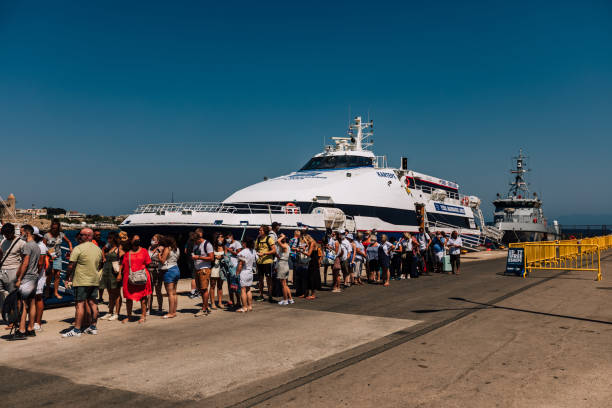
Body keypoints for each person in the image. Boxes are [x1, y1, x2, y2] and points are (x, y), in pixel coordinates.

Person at [62, 228, 103, 338]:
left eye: (82, 235)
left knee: (79, 305)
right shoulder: (98, 249)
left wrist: (67, 278)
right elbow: (100, 264)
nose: (80, 236)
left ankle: (77, 329)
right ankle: (93, 327)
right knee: (93, 304)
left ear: (88, 236)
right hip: (94, 280)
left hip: (81, 280)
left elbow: (71, 265)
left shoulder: (78, 248)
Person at [11, 225, 41, 340]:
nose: (20, 233)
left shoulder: (28, 246)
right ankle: (31, 328)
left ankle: (22, 329)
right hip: (34, 276)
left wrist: (19, 279)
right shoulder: (37, 246)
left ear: (26, 233)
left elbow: (25, 263)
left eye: (21, 231)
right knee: (32, 303)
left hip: (27, 277)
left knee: (23, 304)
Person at [121, 235, 152, 324]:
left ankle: (143, 315)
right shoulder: (127, 253)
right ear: (131, 241)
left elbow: (148, 263)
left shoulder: (144, 251)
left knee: (143, 297)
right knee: (128, 298)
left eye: (138, 239)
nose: (137, 241)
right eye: (135, 240)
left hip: (142, 277)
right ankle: (129, 316)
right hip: (129, 277)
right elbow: (123, 265)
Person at [0, 223, 25, 319]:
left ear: (12, 232)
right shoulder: (3, 241)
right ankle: (9, 316)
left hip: (13, 270)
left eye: (7, 234)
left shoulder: (21, 243)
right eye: (4, 234)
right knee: (4, 294)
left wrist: (20, 275)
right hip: (2, 270)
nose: (5, 236)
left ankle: (15, 319)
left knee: (14, 297)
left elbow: (25, 260)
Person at [43, 219, 73, 299]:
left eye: (56, 228)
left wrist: (70, 247)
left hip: (58, 257)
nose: (54, 230)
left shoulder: (61, 235)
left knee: (57, 275)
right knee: (50, 274)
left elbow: (69, 241)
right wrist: (49, 255)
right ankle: (47, 290)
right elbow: (43, 247)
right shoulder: (46, 236)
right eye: (53, 228)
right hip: (49, 257)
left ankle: (56, 292)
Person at [98, 232, 122, 321]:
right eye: (108, 238)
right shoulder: (110, 248)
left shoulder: (119, 248)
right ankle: (110, 312)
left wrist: (120, 274)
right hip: (107, 272)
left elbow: (122, 261)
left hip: (114, 273)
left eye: (110, 238)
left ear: (114, 239)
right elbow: (102, 250)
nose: (108, 239)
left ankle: (117, 313)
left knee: (116, 293)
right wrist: (104, 257)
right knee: (110, 294)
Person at [192, 230, 214, 317]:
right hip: (197, 269)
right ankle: (206, 306)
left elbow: (211, 258)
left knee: (204, 289)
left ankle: (204, 309)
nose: (194, 243)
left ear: (199, 239)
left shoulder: (207, 244)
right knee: (201, 289)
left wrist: (199, 257)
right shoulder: (196, 245)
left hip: (204, 269)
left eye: (195, 241)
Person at [158, 236, 180, 318]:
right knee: (174, 292)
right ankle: (174, 311)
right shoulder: (177, 249)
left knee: (170, 293)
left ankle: (170, 313)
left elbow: (162, 261)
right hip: (176, 269)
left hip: (169, 271)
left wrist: (159, 255)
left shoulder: (167, 248)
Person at [33, 227, 50, 332]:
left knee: (38, 298)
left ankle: (38, 322)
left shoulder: (41, 246)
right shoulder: (35, 245)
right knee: (32, 299)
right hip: (32, 276)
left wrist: (35, 276)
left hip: (37, 276)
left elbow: (40, 264)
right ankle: (33, 320)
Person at [255, 225, 276, 303]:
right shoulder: (258, 239)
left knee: (269, 279)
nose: (259, 231)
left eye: (261, 230)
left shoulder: (269, 239)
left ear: (265, 231)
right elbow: (255, 249)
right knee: (260, 280)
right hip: (259, 262)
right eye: (259, 230)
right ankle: (261, 295)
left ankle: (270, 295)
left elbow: (274, 250)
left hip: (268, 262)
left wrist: (264, 253)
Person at [236, 239, 257, 313]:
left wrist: (237, 273)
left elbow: (240, 264)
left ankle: (244, 307)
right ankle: (250, 306)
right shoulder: (253, 251)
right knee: (248, 289)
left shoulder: (243, 252)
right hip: (250, 272)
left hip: (244, 272)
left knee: (243, 290)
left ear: (245, 243)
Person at [147, 234, 164, 315]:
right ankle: (149, 309)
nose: (152, 240)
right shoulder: (149, 248)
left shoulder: (161, 248)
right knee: (149, 291)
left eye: (154, 239)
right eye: (152, 239)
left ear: (158, 241)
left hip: (157, 271)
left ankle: (160, 308)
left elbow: (163, 260)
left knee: (158, 290)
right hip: (149, 270)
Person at [224, 233, 242, 309]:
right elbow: (225, 254)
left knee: (235, 285)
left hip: (235, 266)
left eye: (228, 237)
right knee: (230, 285)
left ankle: (238, 301)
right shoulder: (227, 244)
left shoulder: (237, 243)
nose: (227, 239)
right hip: (229, 267)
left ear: (232, 237)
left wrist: (229, 251)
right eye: (226, 238)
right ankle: (231, 301)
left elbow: (239, 254)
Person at [276, 233, 294, 305]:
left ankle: (285, 300)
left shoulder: (284, 246)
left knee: (283, 284)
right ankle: (290, 299)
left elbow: (278, 241)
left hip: (282, 264)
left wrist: (282, 236)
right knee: (285, 284)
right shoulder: (287, 245)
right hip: (285, 264)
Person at [209, 232, 225, 309]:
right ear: (216, 238)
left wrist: (222, 256)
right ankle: (212, 303)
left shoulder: (224, 247)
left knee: (220, 286)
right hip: (214, 268)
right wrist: (215, 257)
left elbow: (227, 257)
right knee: (212, 285)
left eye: (222, 237)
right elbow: (209, 257)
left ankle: (220, 302)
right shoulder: (212, 247)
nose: (222, 238)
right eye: (220, 237)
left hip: (221, 268)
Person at [185, 231, 199, 299]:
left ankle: (195, 291)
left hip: (190, 261)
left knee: (194, 277)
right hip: (194, 261)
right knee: (194, 277)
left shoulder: (188, 242)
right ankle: (193, 292)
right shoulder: (194, 243)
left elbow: (185, 251)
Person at [304, 234, 319, 300]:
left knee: (312, 277)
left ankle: (313, 294)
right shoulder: (311, 243)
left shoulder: (312, 243)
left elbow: (309, 254)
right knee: (308, 277)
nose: (305, 242)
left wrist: (301, 251)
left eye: (306, 241)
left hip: (314, 262)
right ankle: (306, 293)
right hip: (312, 261)